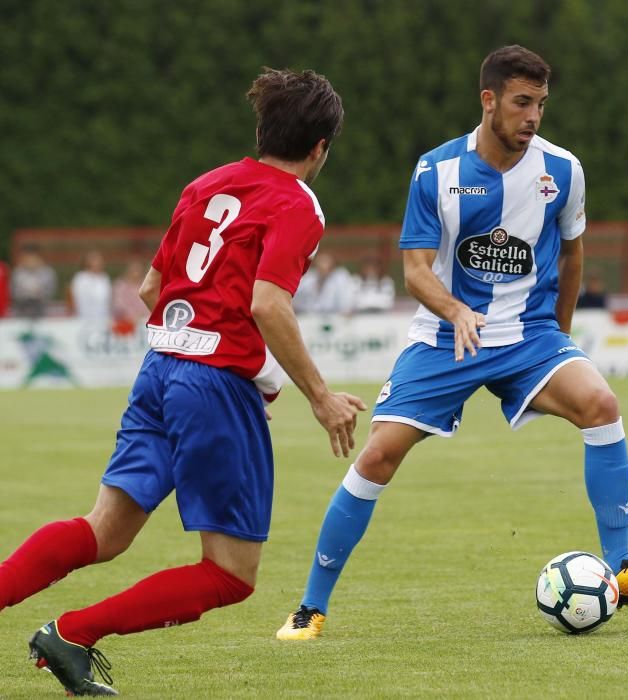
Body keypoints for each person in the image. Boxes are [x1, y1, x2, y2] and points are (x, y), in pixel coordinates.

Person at [277, 45, 628, 642]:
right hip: (446, 339)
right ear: (489, 100)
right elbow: (415, 270)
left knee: (601, 404)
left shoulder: (563, 171)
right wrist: (455, 310)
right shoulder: (436, 171)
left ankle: (621, 569)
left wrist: (560, 338)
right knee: (377, 457)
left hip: (528, 337)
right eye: (522, 103)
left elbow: (573, 255)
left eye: (542, 105)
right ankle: (310, 608)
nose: (533, 117)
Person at [0, 67, 366, 696]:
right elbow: (268, 304)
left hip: (161, 368)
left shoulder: (207, 183)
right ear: (320, 149)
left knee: (103, 531)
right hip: (209, 385)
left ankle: (59, 627)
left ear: (262, 129)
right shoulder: (297, 203)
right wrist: (318, 397)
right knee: (231, 574)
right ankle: (73, 634)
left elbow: (151, 290)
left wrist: (210, 370)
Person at [292, 250, 356, 314]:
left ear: (332, 265)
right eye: (321, 262)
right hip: (311, 317)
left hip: (335, 316)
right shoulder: (309, 278)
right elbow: (298, 299)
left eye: (326, 262)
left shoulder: (340, 277)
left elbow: (346, 302)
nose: (323, 265)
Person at [10, 244, 57, 319]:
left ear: (39, 258)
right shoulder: (18, 273)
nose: (30, 261)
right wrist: (27, 294)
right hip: (21, 310)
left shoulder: (47, 272)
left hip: (42, 310)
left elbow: (51, 291)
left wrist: (39, 293)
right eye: (27, 258)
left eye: (33, 258)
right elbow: (13, 292)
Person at [70, 250, 112, 323]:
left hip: (103, 319)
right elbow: (73, 299)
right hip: (82, 318)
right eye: (94, 260)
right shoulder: (80, 278)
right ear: (87, 262)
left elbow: (108, 300)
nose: (97, 263)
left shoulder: (105, 278)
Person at [112, 259, 150, 334]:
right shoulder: (120, 286)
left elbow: (147, 304)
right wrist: (131, 317)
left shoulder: (145, 286)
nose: (135, 273)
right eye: (133, 271)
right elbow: (119, 305)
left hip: (142, 323)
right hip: (125, 324)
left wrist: (141, 316)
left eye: (138, 271)